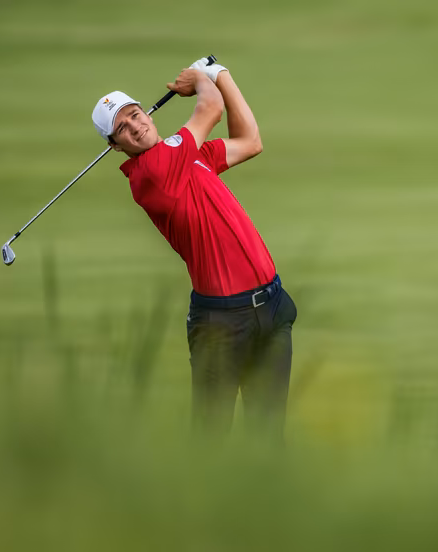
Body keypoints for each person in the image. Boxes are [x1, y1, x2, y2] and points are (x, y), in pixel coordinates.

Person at [91, 58, 297, 439]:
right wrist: (202, 78)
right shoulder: (154, 171)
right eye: (122, 127)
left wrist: (222, 76)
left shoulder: (187, 157)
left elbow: (251, 141)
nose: (135, 126)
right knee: (210, 443)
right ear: (115, 146)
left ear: (149, 115)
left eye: (135, 114)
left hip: (270, 308)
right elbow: (210, 108)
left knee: (269, 440)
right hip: (222, 323)